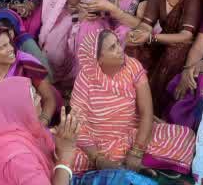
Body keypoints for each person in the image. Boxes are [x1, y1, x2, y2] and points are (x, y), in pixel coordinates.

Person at [70, 29, 195, 175]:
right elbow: (77, 122)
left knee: (185, 135)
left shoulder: (133, 66)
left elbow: (146, 112)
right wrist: (97, 158)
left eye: (118, 43)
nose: (120, 50)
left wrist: (136, 151)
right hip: (96, 141)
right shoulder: (85, 77)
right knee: (65, 153)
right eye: (112, 48)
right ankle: (129, 164)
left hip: (131, 136)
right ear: (98, 59)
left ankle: (125, 164)